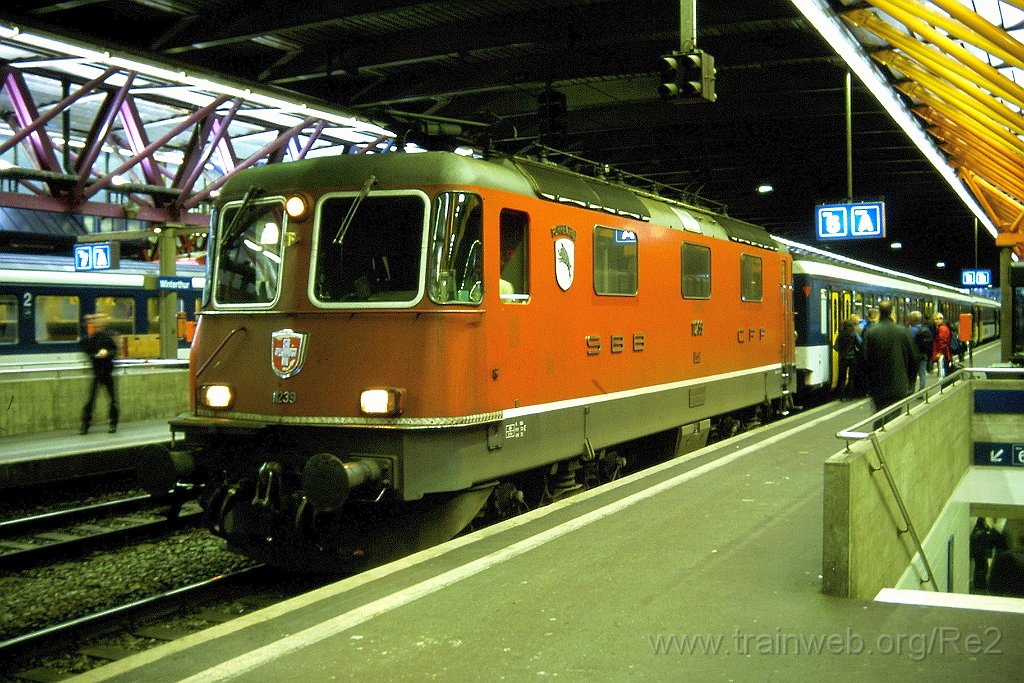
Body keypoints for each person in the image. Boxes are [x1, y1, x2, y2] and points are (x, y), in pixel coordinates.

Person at [861, 300, 917, 427]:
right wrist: (911, 382)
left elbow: (865, 361)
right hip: (898, 385)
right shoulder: (902, 331)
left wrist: (868, 383)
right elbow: (914, 358)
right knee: (895, 419)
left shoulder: (871, 332)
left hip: (878, 386)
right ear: (892, 312)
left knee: (880, 415)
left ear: (879, 313)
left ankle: (879, 438)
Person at [81, 313, 119, 434]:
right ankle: (85, 424)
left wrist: (106, 354)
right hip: (99, 373)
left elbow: (114, 351)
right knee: (92, 400)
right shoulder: (90, 339)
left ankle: (112, 423)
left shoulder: (107, 337)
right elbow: (88, 352)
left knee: (112, 400)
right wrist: (97, 356)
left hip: (106, 373)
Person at [832, 316, 862, 400]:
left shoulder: (840, 335)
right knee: (851, 378)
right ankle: (850, 396)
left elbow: (835, 347)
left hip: (842, 358)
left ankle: (842, 396)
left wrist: (842, 351)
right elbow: (860, 344)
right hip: (852, 358)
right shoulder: (854, 334)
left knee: (842, 377)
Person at [907, 310, 932, 392]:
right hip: (924, 354)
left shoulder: (912, 330)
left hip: (914, 355)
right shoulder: (925, 329)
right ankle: (922, 390)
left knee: (912, 373)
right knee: (922, 373)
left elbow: (908, 343)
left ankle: (911, 390)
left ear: (913, 320)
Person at [931, 312, 953, 378]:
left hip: (944, 354)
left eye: (936, 319)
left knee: (943, 370)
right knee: (944, 369)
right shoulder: (942, 328)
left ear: (940, 319)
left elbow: (942, 341)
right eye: (934, 320)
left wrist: (940, 352)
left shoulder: (942, 329)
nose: (935, 321)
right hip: (945, 353)